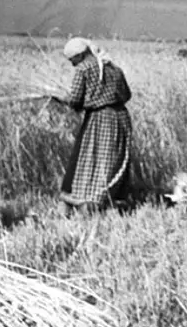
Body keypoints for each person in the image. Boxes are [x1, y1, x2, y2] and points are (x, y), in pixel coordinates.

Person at [56, 37, 133, 213]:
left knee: (93, 158)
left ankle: (89, 199)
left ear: (81, 55)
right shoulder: (114, 68)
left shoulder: (84, 69)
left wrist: (64, 101)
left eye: (72, 60)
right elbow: (127, 95)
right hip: (121, 118)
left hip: (100, 118)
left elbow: (75, 100)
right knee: (114, 159)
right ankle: (112, 197)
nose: (73, 65)